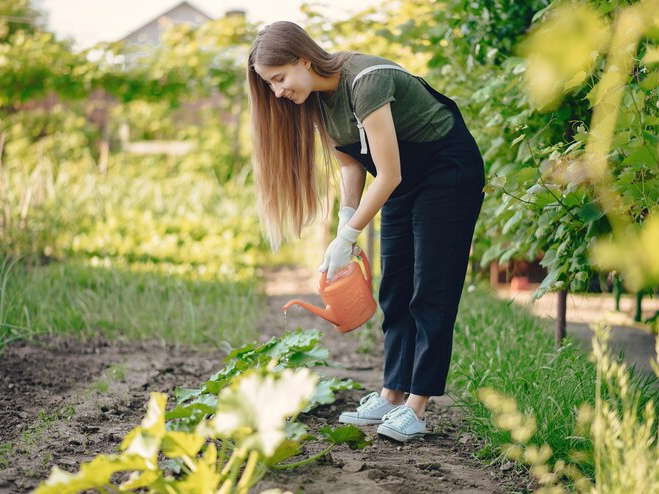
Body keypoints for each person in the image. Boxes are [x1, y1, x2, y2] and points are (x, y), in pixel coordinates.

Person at [248, 21, 484, 442]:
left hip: (447, 170)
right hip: (402, 180)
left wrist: (349, 236)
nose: (278, 91)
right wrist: (345, 221)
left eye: (280, 78)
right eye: (270, 85)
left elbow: (388, 172)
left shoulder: (366, 81)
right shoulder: (316, 102)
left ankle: (418, 406)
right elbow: (352, 163)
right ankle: (392, 393)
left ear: (304, 58)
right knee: (394, 287)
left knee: (430, 288)